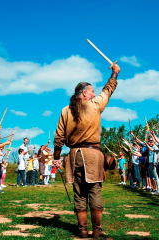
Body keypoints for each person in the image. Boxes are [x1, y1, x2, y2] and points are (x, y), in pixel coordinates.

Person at [53, 64, 120, 238]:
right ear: (84, 94)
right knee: (94, 190)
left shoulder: (65, 110)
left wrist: (56, 158)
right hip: (92, 156)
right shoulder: (95, 105)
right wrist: (114, 73)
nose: (94, 94)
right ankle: (96, 231)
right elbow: (108, 89)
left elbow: (59, 137)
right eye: (91, 92)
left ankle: (82, 231)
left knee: (80, 192)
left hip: (75, 156)